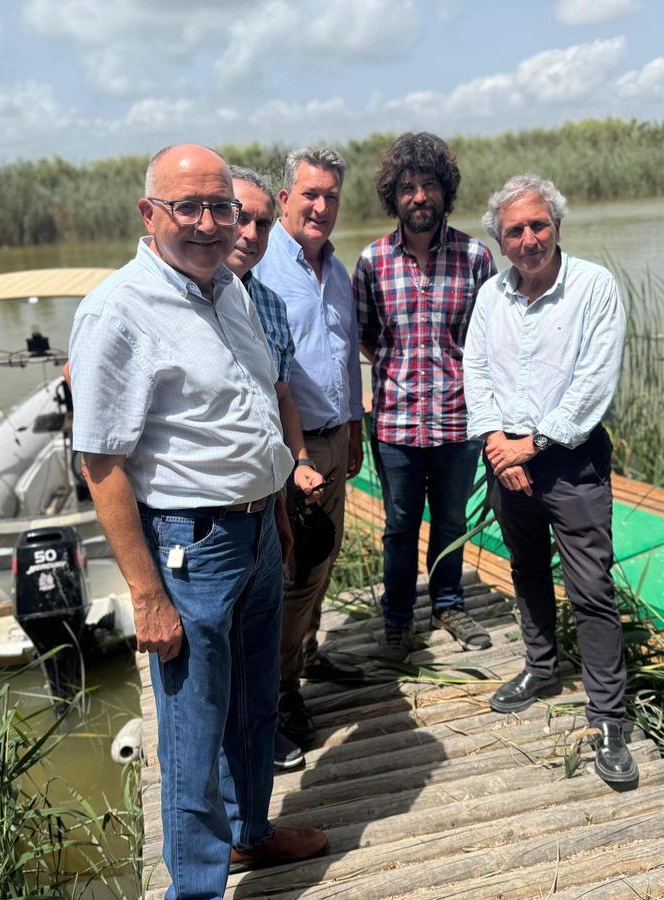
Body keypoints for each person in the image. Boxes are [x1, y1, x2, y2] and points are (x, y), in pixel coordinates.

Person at [69, 144, 328, 900]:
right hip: (191, 549)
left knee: (254, 705)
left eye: (224, 207)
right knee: (192, 733)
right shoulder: (120, 310)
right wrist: (145, 593)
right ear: (150, 215)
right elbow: (103, 464)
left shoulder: (228, 291)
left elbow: (251, 412)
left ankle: (251, 833)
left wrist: (275, 508)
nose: (212, 224)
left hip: (255, 536)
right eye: (191, 207)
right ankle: (197, 889)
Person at [462, 174, 637, 787]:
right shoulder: (490, 296)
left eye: (539, 225)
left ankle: (609, 717)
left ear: (556, 224)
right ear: (501, 241)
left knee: (590, 587)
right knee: (527, 568)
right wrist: (495, 446)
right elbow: (475, 368)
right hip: (505, 457)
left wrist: (529, 446)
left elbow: (594, 381)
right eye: (516, 230)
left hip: (569, 459)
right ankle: (541, 666)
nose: (530, 238)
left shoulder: (593, 286)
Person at [354, 132, 497, 661]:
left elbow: (489, 339)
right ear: (394, 196)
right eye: (408, 187)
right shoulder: (371, 262)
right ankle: (396, 618)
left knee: (452, 520)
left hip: (459, 421)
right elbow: (367, 336)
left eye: (428, 185)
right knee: (398, 527)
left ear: (445, 191)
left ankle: (449, 602)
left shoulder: (477, 258)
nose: (419, 197)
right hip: (394, 423)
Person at [254, 145, 365, 751]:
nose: (321, 208)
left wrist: (355, 425)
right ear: (285, 200)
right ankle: (281, 687)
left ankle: (309, 652)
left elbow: (345, 356)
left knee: (324, 559)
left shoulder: (338, 271)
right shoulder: (262, 267)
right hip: (289, 451)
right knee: (295, 573)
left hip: (334, 438)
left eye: (331, 198)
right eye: (311, 195)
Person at [226, 164, 327, 769]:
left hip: (266, 495)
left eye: (262, 222)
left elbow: (283, 395)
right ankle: (238, 754)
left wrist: (301, 464)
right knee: (220, 636)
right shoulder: (172, 294)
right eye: (241, 215)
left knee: (263, 617)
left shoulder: (265, 301)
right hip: (201, 514)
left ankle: (263, 728)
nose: (251, 231)